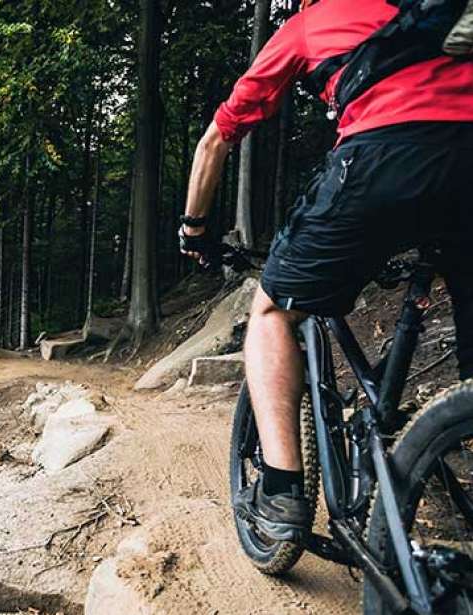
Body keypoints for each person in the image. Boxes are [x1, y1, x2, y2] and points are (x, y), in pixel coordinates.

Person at [180, 0, 473, 542]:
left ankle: (283, 489)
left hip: (381, 159)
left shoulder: (311, 23)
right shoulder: (439, 12)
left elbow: (217, 139)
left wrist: (194, 230)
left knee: (271, 311)